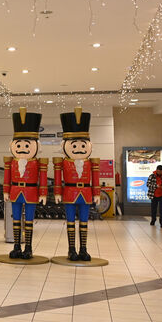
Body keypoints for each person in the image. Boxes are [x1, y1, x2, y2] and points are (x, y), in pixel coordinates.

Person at [54, 107, 100, 261]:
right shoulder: (63, 162)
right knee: (70, 222)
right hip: (69, 193)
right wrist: (57, 193)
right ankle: (71, 249)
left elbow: (95, 179)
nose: (79, 149)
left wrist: (97, 194)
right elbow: (58, 177)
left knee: (85, 222)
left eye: (82, 145)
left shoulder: (91, 163)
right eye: (74, 145)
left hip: (86, 194)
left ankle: (84, 249)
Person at [3, 107, 47, 260]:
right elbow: (7, 177)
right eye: (19, 145)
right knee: (15, 219)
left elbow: (42, 179)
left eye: (26, 145)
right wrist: (5, 190)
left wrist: (43, 193)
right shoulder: (11, 162)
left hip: (31, 192)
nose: (22, 148)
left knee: (29, 220)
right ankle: (16, 246)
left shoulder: (37, 163)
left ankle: (28, 247)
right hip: (15, 191)